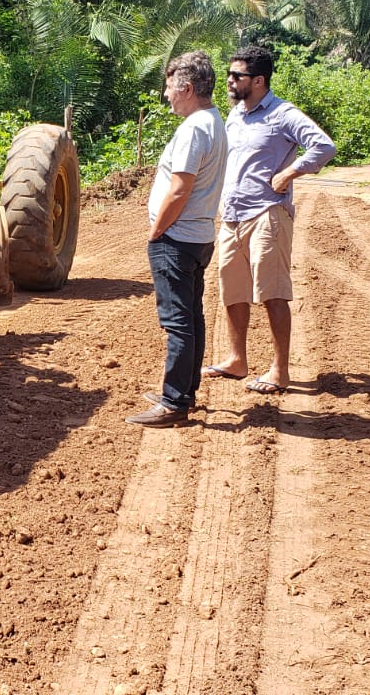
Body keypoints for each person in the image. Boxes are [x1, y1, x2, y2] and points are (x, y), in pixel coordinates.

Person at [203, 45, 336, 395]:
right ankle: (236, 359)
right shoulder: (236, 115)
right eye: (229, 74)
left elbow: (324, 146)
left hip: (267, 213)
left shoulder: (283, 114)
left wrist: (291, 172)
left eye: (237, 76)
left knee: (272, 292)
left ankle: (280, 370)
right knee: (233, 290)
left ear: (258, 80)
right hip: (232, 215)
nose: (229, 81)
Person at [125, 51, 228, 427]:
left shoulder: (194, 128)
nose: (165, 94)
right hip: (197, 236)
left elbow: (179, 188)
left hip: (178, 238)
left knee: (178, 321)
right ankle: (185, 390)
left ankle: (173, 403)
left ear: (185, 88)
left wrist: (156, 231)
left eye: (168, 87)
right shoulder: (213, 121)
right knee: (192, 317)